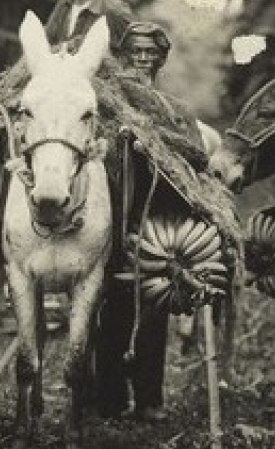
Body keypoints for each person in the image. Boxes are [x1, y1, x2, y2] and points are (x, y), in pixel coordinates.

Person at [86, 21, 182, 422]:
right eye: (136, 52)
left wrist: (155, 146)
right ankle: (106, 398)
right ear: (124, 57)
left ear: (160, 59)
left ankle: (148, 400)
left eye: (150, 53)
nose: (142, 59)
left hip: (154, 219)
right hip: (109, 215)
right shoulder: (107, 100)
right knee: (107, 310)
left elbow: (189, 159)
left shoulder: (170, 108)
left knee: (153, 313)